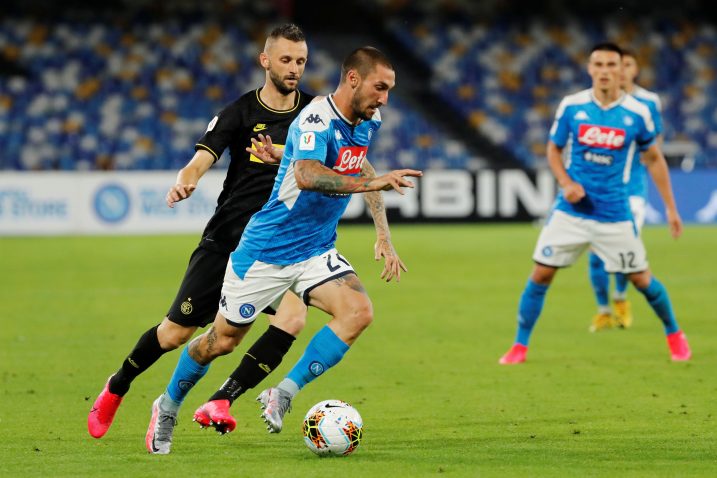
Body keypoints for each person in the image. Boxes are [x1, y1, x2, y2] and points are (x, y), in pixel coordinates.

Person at [155, 46, 420, 440]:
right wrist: (372, 182)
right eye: (380, 88)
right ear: (353, 79)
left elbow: (358, 164)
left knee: (358, 312)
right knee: (221, 341)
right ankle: (168, 405)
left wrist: (383, 231)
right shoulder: (315, 119)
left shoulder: (368, 120)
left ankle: (282, 393)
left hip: (315, 249)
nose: (384, 99)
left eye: (389, 90)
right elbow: (310, 175)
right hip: (266, 251)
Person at [89, 24, 316, 443]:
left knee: (292, 316)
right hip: (227, 240)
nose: (294, 69)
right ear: (265, 61)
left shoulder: (313, 114)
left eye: (300, 61)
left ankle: (222, 399)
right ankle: (117, 386)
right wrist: (187, 180)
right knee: (175, 333)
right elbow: (200, 159)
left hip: (272, 247)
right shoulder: (239, 113)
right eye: (286, 59)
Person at [498, 42, 691, 365]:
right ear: (590, 69)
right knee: (541, 274)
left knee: (642, 280)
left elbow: (654, 159)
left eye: (611, 65)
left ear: (622, 70)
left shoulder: (638, 113)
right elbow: (553, 150)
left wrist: (671, 208)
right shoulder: (572, 107)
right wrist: (566, 183)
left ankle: (674, 333)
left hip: (614, 213)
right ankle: (520, 345)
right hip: (571, 210)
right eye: (598, 65)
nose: (604, 71)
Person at [588, 48, 664, 332]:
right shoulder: (594, 103)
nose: (622, 71)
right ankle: (603, 310)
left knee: (622, 248)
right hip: (600, 189)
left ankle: (620, 299)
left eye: (627, 65)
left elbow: (655, 146)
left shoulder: (647, 103)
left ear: (631, 69)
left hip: (631, 189)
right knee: (595, 253)